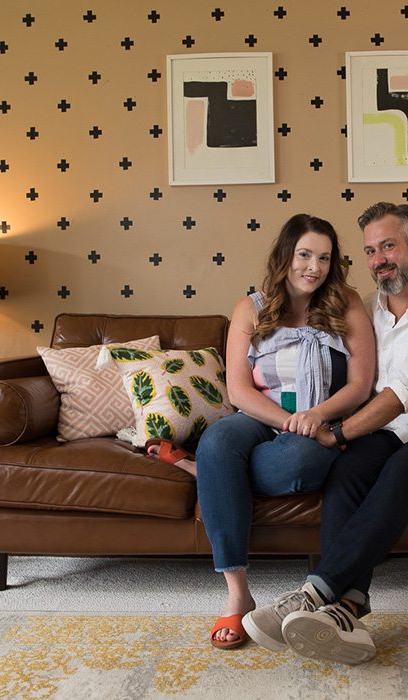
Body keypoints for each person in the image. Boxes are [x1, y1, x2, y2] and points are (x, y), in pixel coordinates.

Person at [242, 202, 408, 664]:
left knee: (401, 470)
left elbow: (405, 390)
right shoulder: (366, 309)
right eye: (371, 251)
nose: (379, 260)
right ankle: (347, 611)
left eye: (389, 246)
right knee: (347, 473)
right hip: (390, 429)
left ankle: (316, 594)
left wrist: (338, 433)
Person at [147, 213, 375, 651]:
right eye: (305, 254)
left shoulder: (346, 302)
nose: (314, 267)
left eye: (324, 258)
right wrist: (285, 419)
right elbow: (237, 389)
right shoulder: (249, 308)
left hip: (319, 424)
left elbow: (360, 384)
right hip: (260, 416)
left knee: (299, 462)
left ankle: (206, 472)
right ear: (285, 254)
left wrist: (318, 414)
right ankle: (237, 593)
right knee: (219, 441)